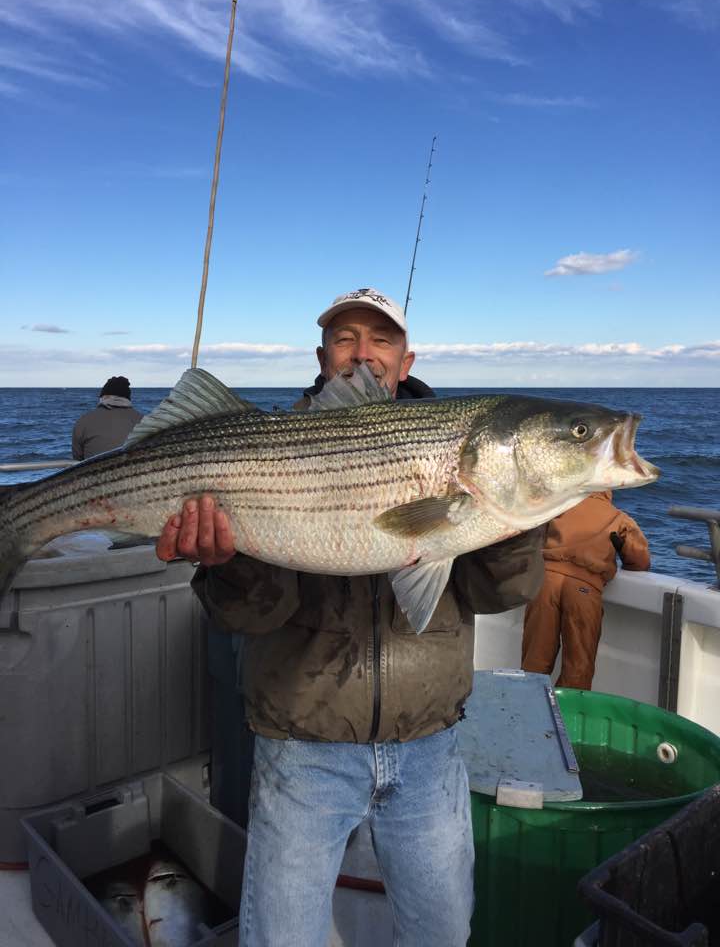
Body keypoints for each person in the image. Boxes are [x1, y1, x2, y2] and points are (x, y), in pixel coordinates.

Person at [156, 287, 546, 947]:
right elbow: (246, 617)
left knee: (444, 934)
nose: (363, 354)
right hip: (302, 742)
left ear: (407, 356)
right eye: (345, 339)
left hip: (429, 743)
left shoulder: (464, 450)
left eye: (382, 340)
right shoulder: (271, 444)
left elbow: (498, 593)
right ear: (321, 356)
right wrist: (228, 560)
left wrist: (507, 517)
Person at [521, 490, 651, 690]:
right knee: (578, 667)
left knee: (535, 659)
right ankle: (567, 715)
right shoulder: (618, 518)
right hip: (584, 589)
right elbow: (640, 560)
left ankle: (529, 710)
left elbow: (531, 537)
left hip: (545, 582)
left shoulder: (559, 506)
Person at [72, 375, 142, 459]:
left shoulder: (83, 421)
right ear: (127, 399)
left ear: (103, 397)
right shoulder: (143, 420)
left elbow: (77, 459)